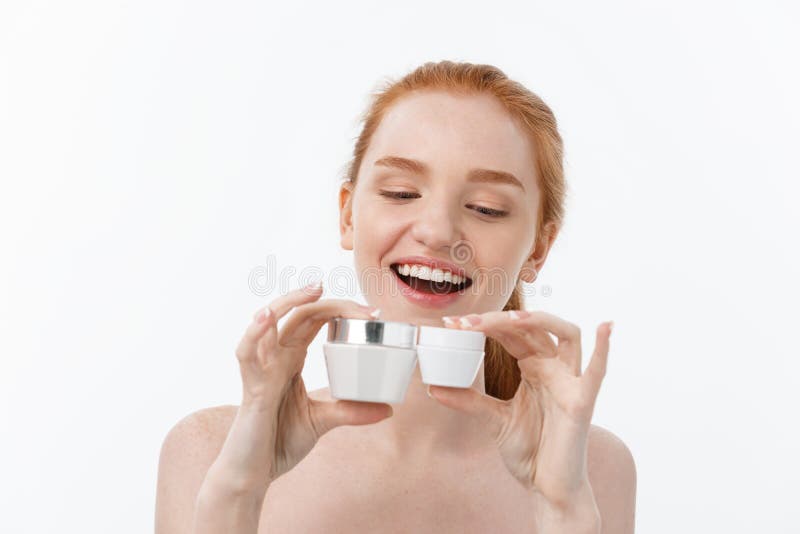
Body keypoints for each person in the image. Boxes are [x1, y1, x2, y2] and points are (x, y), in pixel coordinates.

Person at [155, 60, 637, 533]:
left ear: (538, 248)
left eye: (486, 208)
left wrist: (561, 509)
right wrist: (239, 491)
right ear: (348, 216)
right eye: (403, 193)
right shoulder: (210, 452)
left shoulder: (593, 471)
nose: (437, 231)